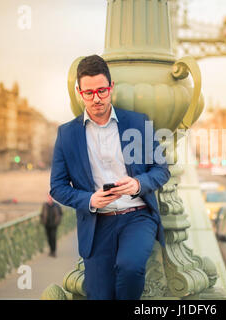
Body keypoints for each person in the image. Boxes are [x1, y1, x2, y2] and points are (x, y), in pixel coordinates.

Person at [50, 55, 170, 300]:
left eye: (102, 91)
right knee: (100, 295)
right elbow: (57, 187)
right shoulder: (67, 134)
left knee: (130, 267)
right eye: (89, 93)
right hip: (97, 224)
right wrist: (90, 200)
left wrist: (138, 184)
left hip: (137, 215)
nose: (96, 99)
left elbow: (162, 169)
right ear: (79, 93)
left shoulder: (138, 122)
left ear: (111, 87)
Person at [40, 193, 63, 257]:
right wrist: (42, 221)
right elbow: (42, 214)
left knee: (53, 238)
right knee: (49, 238)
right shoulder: (45, 205)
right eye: (48, 197)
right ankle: (51, 250)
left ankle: (53, 251)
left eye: (50, 197)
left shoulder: (57, 205)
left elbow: (60, 214)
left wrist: (57, 221)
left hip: (54, 225)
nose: (49, 199)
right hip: (47, 224)